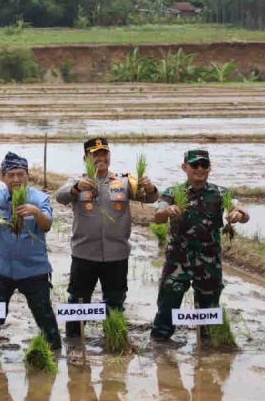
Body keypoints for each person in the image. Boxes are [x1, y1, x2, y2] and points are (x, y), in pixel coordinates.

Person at [55, 137, 158, 338]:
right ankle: (75, 342)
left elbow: (151, 198)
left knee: (115, 301)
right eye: (95, 154)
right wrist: (76, 187)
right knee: (78, 300)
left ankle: (114, 340)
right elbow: (60, 196)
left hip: (116, 255)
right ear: (85, 157)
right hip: (84, 254)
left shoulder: (124, 182)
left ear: (109, 157)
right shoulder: (78, 182)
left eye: (104, 154)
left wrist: (150, 186)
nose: (100, 158)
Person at [150, 149, 248, 340]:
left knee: (209, 315)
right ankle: (160, 351)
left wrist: (239, 214)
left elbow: (240, 210)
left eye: (204, 165)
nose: (199, 169)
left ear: (210, 168)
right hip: (177, 262)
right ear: (184, 167)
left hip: (209, 262)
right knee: (167, 309)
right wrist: (167, 211)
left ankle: (207, 356)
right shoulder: (172, 192)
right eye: (195, 165)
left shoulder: (220, 193)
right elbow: (158, 216)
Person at [0, 151, 61, 350]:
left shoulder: (40, 199)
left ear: (27, 175)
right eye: (11, 175)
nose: (16, 179)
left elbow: (47, 225)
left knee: (45, 320)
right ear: (3, 177)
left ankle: (54, 354)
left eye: (20, 174)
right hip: (2, 269)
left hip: (34, 270)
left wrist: (36, 212)